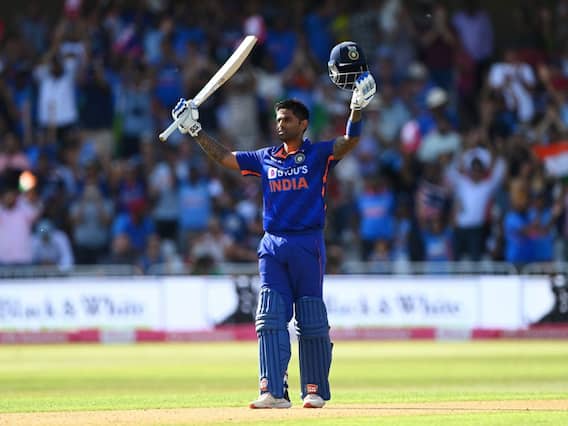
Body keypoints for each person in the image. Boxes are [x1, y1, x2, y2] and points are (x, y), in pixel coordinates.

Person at [170, 42, 376, 410]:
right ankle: (273, 391)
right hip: (272, 245)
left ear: (303, 124)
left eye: (287, 120)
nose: (280, 124)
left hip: (307, 243)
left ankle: (314, 389)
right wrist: (195, 130)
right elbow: (225, 158)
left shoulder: (317, 154)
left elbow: (350, 141)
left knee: (311, 319)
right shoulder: (265, 158)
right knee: (269, 317)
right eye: (278, 120)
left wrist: (356, 109)